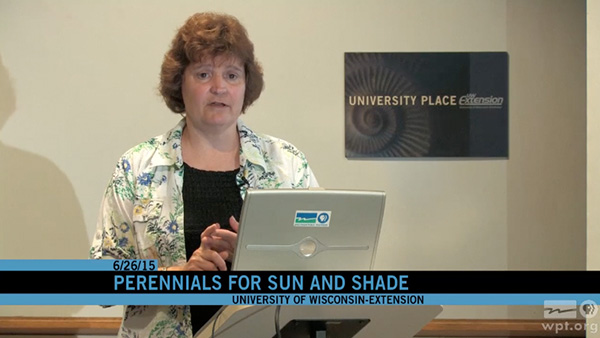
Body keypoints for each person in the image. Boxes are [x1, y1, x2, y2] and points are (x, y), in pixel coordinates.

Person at [89, 12, 318, 338]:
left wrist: (255, 260)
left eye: (232, 75)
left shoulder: (287, 164)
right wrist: (175, 277)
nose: (219, 87)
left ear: (246, 86)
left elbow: (323, 269)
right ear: (179, 84)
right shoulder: (136, 167)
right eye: (204, 73)